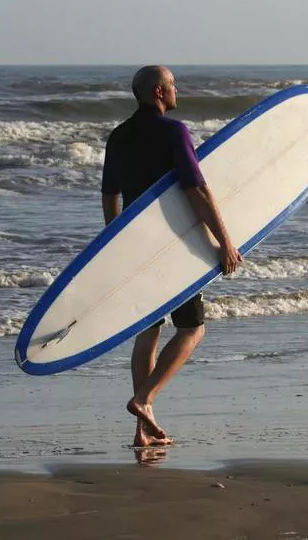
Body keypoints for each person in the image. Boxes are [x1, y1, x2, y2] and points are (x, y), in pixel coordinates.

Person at [101, 65, 242, 447]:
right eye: (173, 85)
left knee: (148, 329)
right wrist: (224, 242)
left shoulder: (119, 136)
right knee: (192, 328)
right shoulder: (174, 131)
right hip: (174, 246)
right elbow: (196, 190)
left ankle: (143, 429)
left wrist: (115, 245)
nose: (177, 90)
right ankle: (144, 400)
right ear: (160, 93)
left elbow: (109, 196)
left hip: (136, 246)